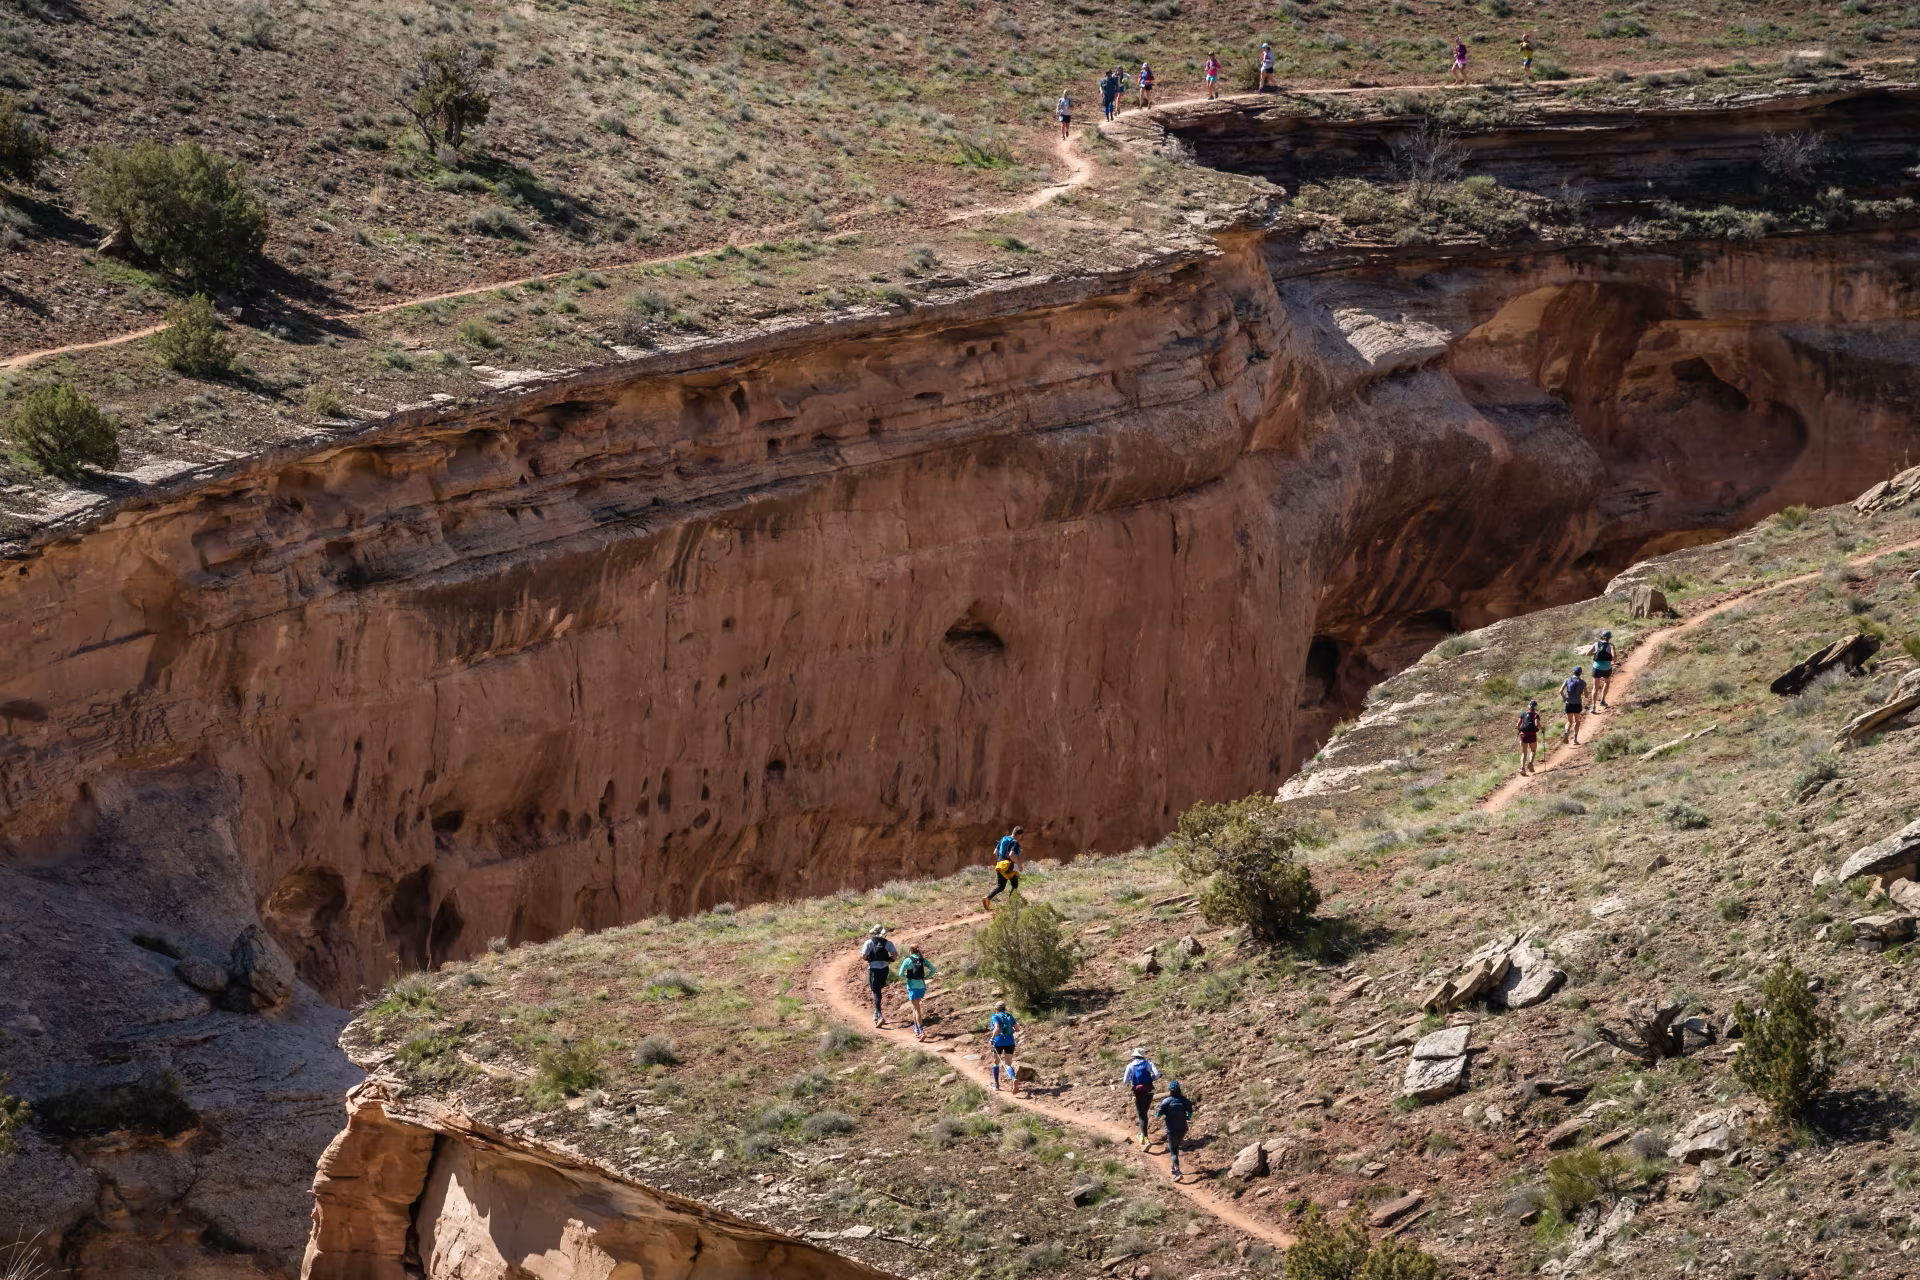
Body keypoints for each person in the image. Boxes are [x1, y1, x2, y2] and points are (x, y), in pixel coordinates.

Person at [1155, 1081, 1196, 1181]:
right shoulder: (1185, 1100)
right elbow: (1190, 1115)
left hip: (1171, 1129)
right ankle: (1173, 1167)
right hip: (1183, 1128)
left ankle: (1178, 1172)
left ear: (1170, 1090)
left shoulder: (1166, 1101)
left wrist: (1166, 1115)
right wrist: (1185, 1116)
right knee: (1176, 1146)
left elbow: (1157, 1115)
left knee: (1173, 1150)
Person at [898, 943, 937, 1040]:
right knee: (915, 1008)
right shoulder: (923, 960)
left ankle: (921, 1031)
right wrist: (926, 977)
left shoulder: (907, 960)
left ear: (910, 950)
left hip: (912, 986)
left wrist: (908, 976)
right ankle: (915, 1029)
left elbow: (900, 973)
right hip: (921, 986)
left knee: (917, 1009)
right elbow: (933, 969)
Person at [860, 925, 896, 1028]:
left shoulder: (869, 942)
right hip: (885, 969)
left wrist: (869, 959)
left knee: (875, 992)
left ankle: (879, 1016)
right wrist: (889, 960)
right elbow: (894, 955)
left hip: (873, 970)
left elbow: (863, 956)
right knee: (879, 990)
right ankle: (875, 1014)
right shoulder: (888, 943)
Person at [1124, 1048, 1160, 1147]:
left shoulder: (1130, 1065)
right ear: (1143, 1055)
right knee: (1145, 1113)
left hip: (1139, 1092)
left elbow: (1125, 1080)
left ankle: (1145, 1138)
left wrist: (1132, 1080)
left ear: (1134, 1056)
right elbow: (1157, 1074)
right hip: (1149, 1090)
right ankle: (1144, 1136)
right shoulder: (1149, 1064)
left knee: (1141, 1116)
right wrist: (1152, 1079)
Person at [982, 825, 1024, 910]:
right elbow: (1011, 855)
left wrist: (1001, 860)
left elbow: (995, 852)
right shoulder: (1015, 842)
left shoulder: (1004, 839)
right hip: (1008, 866)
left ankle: (987, 898)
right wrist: (1019, 864)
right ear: (1019, 835)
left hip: (1000, 864)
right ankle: (1011, 906)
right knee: (1014, 885)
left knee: (1001, 886)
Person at [987, 1001, 1020, 1094]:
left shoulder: (995, 1016)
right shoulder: (1010, 1016)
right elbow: (1017, 1029)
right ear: (1004, 1008)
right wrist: (1009, 1032)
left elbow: (997, 1028)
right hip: (1010, 1042)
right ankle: (1013, 1079)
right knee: (1008, 1064)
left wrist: (992, 1038)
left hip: (999, 1042)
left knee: (996, 1062)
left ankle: (996, 1085)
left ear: (996, 1009)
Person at [1560, 666, 1587, 746]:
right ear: (1580, 673)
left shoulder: (1568, 680)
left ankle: (1567, 731)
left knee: (1569, 721)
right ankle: (1575, 739)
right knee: (1577, 721)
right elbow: (1586, 695)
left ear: (1573, 672)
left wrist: (1564, 698)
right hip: (1577, 704)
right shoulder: (1582, 682)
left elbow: (1560, 691)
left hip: (1569, 703)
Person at [1516, 698, 1541, 775]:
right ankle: (1530, 763)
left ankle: (1522, 768)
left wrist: (1519, 730)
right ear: (1535, 708)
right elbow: (1537, 724)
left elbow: (1517, 725)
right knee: (1533, 751)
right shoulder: (1536, 715)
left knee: (1524, 753)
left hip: (1523, 735)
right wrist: (1542, 728)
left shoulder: (1523, 714)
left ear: (1528, 706)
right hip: (1532, 735)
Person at [1591, 629, 1614, 709]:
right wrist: (1613, 660)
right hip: (1607, 668)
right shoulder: (1610, 646)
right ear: (1609, 637)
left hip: (1596, 668)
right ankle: (1602, 700)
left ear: (1602, 636)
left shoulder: (1596, 644)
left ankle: (1593, 706)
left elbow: (1588, 653)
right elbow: (1614, 658)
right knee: (1607, 682)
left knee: (1595, 687)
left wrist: (1595, 653)